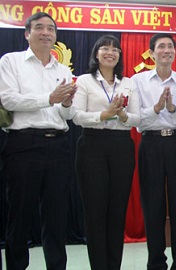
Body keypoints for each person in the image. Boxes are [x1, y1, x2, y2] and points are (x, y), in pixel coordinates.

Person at [0, 12, 77, 269]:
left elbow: (67, 115)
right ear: (26, 33)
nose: (46, 32)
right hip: (23, 145)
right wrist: (50, 98)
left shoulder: (63, 69)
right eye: (39, 28)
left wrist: (65, 103)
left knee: (56, 218)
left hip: (58, 145)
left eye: (51, 29)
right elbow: (8, 100)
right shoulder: (11, 61)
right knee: (19, 216)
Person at [72, 34, 140, 269]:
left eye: (115, 49)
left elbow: (137, 118)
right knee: (95, 212)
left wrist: (122, 115)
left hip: (121, 145)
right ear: (96, 53)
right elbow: (77, 116)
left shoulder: (128, 82)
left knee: (117, 210)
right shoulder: (84, 81)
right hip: (92, 146)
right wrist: (106, 114)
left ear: (120, 55)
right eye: (105, 48)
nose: (110, 52)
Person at [132, 33, 176, 269]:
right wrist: (157, 109)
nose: (166, 50)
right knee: (152, 206)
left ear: (175, 52)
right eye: (161, 47)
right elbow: (138, 121)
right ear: (151, 52)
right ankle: (156, 263)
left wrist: (172, 108)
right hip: (150, 144)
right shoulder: (138, 81)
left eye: (170, 46)